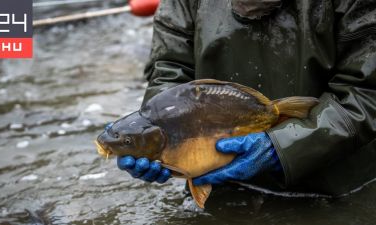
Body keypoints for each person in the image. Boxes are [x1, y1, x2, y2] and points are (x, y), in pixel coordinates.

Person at [115, 0, 376, 196]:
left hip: (335, 187)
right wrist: (147, 134)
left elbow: (367, 91)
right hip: (221, 185)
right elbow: (168, 68)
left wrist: (285, 146)